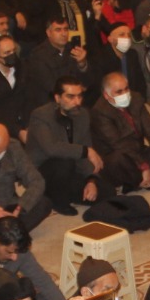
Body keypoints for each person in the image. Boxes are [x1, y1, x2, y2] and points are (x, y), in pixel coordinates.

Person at [26, 76, 102, 213]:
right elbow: (52, 148)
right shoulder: (40, 115)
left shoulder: (82, 114)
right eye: (71, 97)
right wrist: (86, 151)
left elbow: (85, 146)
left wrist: (91, 180)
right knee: (64, 163)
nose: (77, 102)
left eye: (80, 96)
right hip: (44, 170)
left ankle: (69, 193)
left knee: (106, 193)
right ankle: (57, 200)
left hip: (71, 168)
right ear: (57, 98)